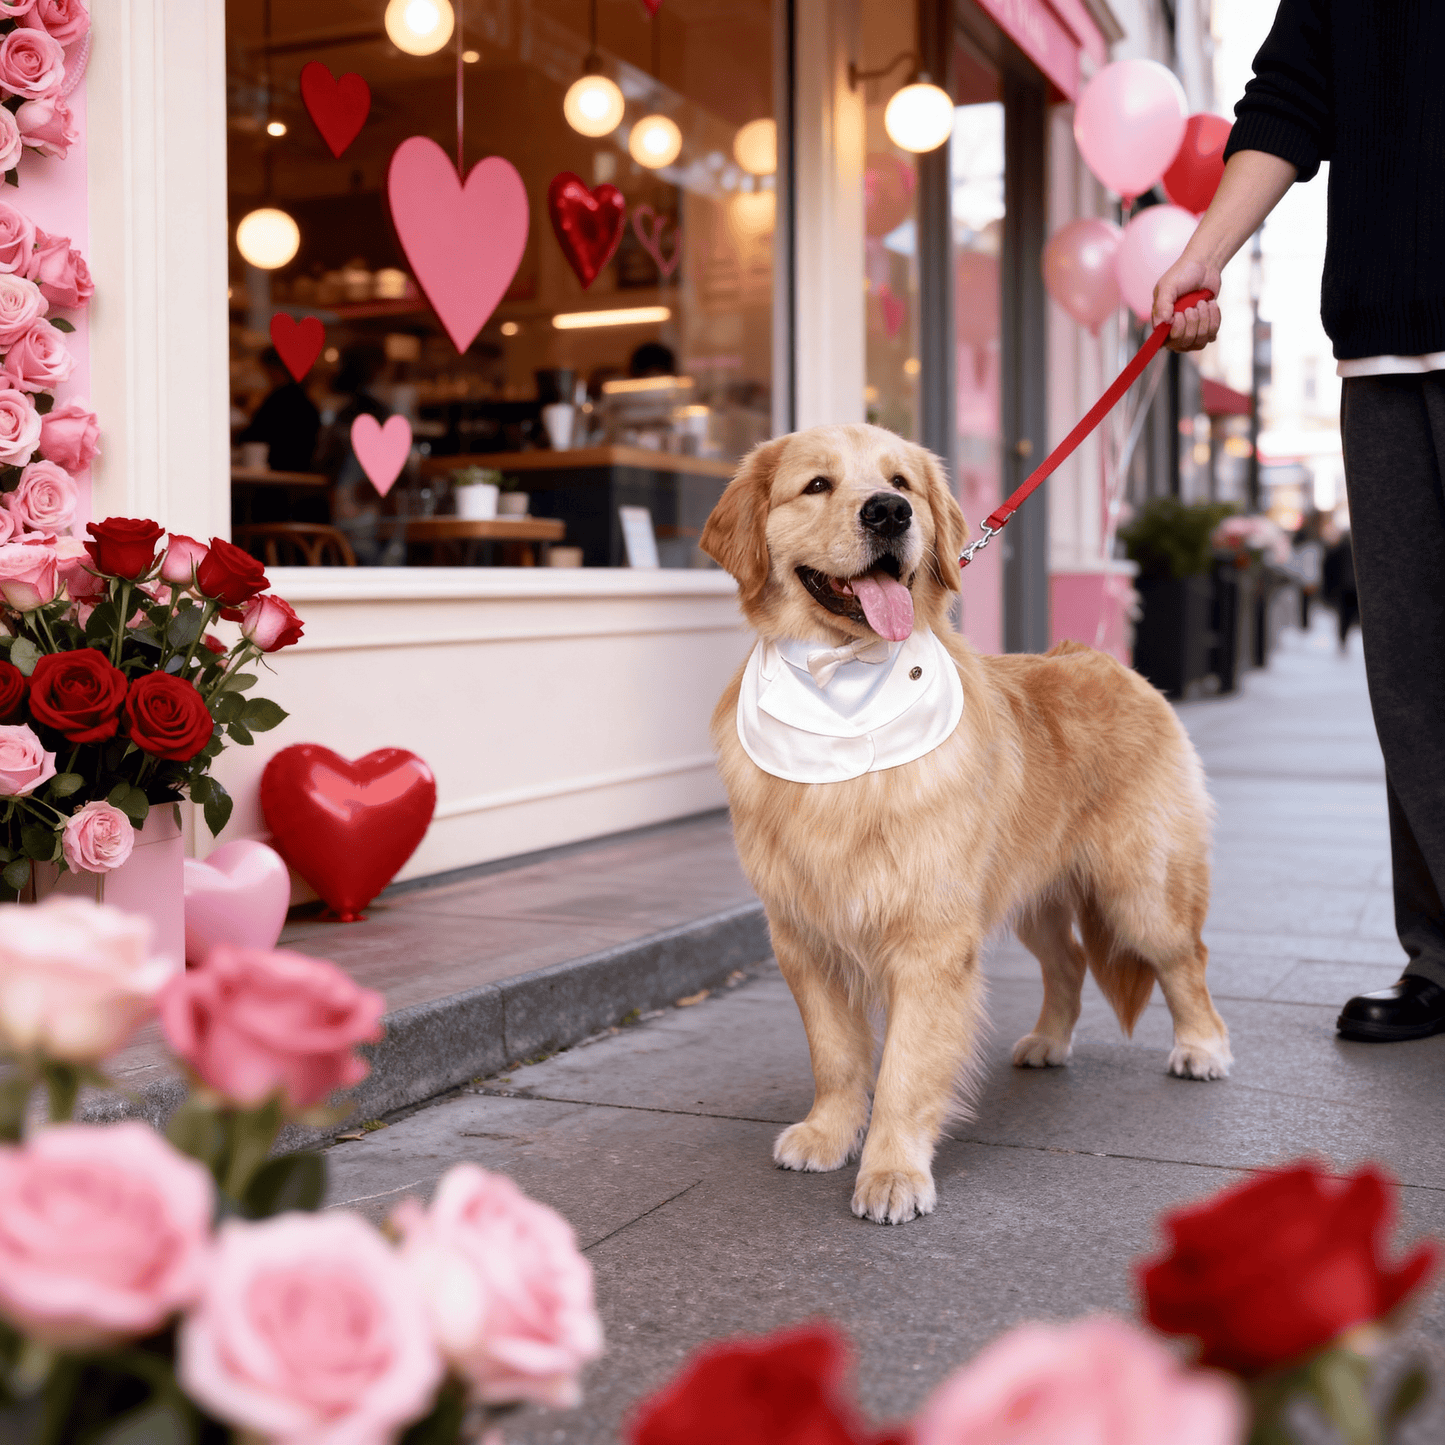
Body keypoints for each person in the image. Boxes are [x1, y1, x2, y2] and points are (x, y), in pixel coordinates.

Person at [1153, 1, 1445, 1042]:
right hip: (1380, 351)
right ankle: (1438, 955)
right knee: (1408, 678)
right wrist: (1204, 253)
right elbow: (1288, 101)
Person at [238, 347, 321, 475]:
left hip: (274, 471)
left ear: (273, 368)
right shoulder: (307, 401)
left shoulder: (279, 398)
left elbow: (257, 433)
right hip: (300, 472)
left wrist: (235, 434)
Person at [1319, 525, 1358, 653]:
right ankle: (1344, 637)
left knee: (1344, 615)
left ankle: (1343, 637)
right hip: (1351, 588)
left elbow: (1329, 571)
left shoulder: (1338, 550)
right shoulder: (1352, 552)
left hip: (1345, 588)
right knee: (1349, 614)